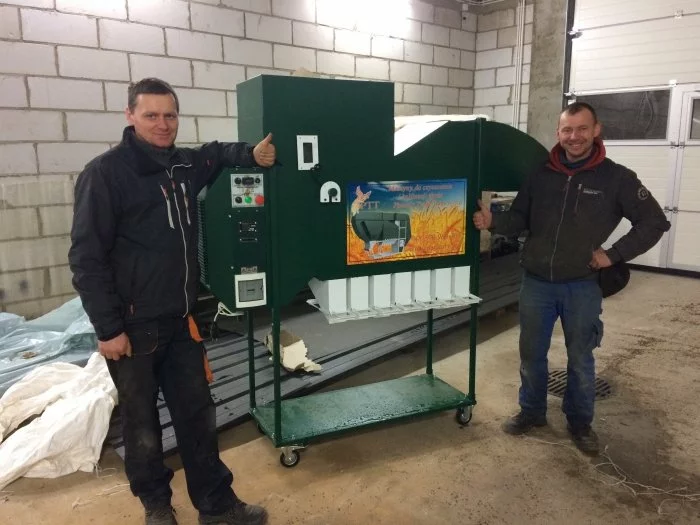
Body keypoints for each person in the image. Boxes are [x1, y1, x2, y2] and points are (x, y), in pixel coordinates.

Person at [69, 78, 275, 525]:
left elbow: (215, 153)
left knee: (198, 418)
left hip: (182, 323)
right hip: (133, 330)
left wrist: (251, 154)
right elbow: (86, 258)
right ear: (130, 116)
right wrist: (108, 329)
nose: (163, 124)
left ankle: (216, 506)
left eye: (170, 115)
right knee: (141, 426)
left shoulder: (184, 165)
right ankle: (157, 506)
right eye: (151, 115)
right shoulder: (105, 174)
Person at [473, 102, 670, 455]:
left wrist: (613, 254)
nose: (574, 137)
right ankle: (531, 412)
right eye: (567, 130)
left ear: (596, 130)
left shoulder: (617, 178)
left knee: (580, 358)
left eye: (581, 129)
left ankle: (580, 424)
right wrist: (494, 222)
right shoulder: (540, 174)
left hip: (582, 284)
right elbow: (520, 219)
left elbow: (654, 222)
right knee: (531, 354)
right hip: (536, 283)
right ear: (558, 133)